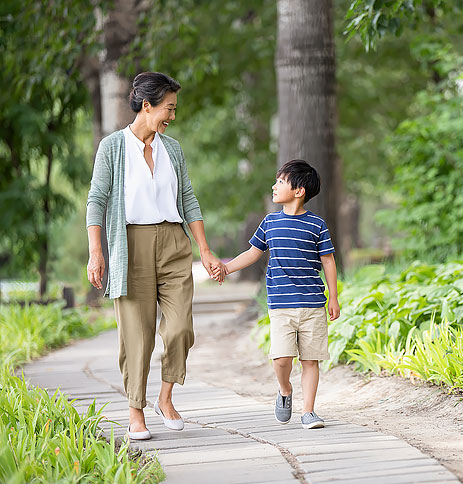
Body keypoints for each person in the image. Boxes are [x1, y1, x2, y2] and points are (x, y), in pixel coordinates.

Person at [86, 72, 225, 440]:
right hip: (130, 245)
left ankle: (166, 396)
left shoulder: (172, 149)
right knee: (138, 335)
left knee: (180, 327)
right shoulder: (112, 147)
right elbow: (96, 200)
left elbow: (189, 200)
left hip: (174, 244)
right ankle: (136, 413)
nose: (172, 117)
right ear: (146, 106)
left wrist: (205, 251)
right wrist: (96, 252)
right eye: (168, 108)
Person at [214, 159, 340, 429]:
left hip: (313, 304)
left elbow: (328, 261)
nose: (274, 186)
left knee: (310, 360)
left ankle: (308, 412)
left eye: (280, 182)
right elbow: (252, 253)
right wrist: (226, 268)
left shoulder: (317, 225)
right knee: (281, 359)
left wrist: (334, 297)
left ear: (299, 191)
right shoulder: (270, 222)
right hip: (281, 305)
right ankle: (285, 391)